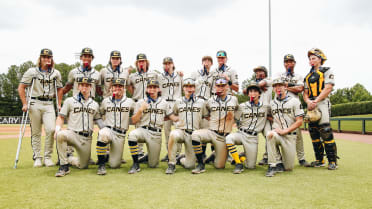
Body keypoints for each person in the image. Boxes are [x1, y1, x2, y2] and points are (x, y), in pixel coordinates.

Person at [18, 48, 63, 167]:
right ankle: (37, 157)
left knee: (51, 129)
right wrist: (24, 103)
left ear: (51, 59)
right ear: (40, 58)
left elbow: (60, 89)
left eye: (49, 57)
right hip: (34, 102)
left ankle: (48, 157)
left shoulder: (55, 73)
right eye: (44, 57)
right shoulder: (31, 72)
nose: (47, 59)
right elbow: (21, 87)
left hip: (48, 103)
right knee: (36, 131)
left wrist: (59, 104)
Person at [54, 77, 103, 177]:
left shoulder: (94, 104)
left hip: (86, 138)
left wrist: (106, 130)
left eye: (87, 85)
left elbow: (98, 120)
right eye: (82, 85)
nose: (84, 87)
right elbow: (61, 117)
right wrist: (57, 129)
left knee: (83, 165)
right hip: (72, 133)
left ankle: (68, 158)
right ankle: (64, 166)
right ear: (78, 86)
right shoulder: (69, 101)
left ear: (90, 87)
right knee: (60, 135)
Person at [127, 79, 178, 174]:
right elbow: (134, 120)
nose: (152, 89)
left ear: (158, 89)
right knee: (132, 135)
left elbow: (172, 117)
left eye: (154, 87)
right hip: (143, 130)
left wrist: (182, 116)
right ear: (147, 89)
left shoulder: (164, 103)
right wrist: (141, 110)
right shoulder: (141, 102)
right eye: (150, 87)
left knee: (153, 165)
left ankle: (147, 157)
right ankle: (135, 163)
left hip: (156, 134)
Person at [191, 78, 239, 174]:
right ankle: (201, 164)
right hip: (212, 132)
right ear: (214, 87)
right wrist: (214, 120)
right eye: (218, 86)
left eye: (223, 86)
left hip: (223, 137)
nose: (220, 88)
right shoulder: (210, 100)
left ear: (227, 87)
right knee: (195, 135)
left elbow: (237, 111)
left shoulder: (234, 99)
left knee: (219, 166)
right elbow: (205, 114)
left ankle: (214, 155)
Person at [303, 48, 338, 170]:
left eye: (314, 58)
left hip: (322, 102)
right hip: (311, 104)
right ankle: (319, 160)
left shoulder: (327, 71)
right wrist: (308, 102)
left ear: (320, 59)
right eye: (310, 59)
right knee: (313, 132)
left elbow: (328, 88)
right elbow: (305, 93)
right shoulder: (308, 76)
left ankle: (332, 161)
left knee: (325, 131)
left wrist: (315, 101)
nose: (311, 60)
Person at [165, 78, 208, 174]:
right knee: (173, 134)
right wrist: (175, 120)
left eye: (192, 86)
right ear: (183, 88)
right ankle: (171, 164)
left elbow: (206, 116)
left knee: (189, 166)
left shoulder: (201, 102)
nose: (190, 89)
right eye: (187, 86)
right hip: (181, 131)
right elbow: (174, 114)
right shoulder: (178, 101)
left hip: (193, 135)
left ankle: (180, 159)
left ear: (195, 88)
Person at [226, 81, 269, 174]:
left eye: (255, 91)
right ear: (248, 93)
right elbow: (234, 118)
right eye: (250, 91)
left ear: (259, 93)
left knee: (250, 166)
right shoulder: (242, 106)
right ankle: (238, 163)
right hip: (241, 134)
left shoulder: (265, 107)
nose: (252, 94)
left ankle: (242, 157)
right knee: (229, 138)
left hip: (253, 137)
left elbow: (271, 116)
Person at [275, 54, 310, 166]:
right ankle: (277, 158)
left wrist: (285, 86)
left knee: (297, 134)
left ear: (294, 63)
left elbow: (300, 88)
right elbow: (276, 85)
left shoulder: (299, 76)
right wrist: (290, 86)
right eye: (286, 62)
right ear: (284, 63)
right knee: (278, 131)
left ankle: (302, 158)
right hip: (280, 106)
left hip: (293, 106)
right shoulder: (279, 74)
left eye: (290, 61)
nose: (288, 64)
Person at [265, 78, 304, 177]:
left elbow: (300, 121)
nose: (278, 88)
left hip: (290, 135)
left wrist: (285, 130)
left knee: (288, 168)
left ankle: (280, 162)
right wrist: (275, 126)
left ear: (285, 87)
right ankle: (273, 165)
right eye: (275, 86)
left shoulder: (295, 101)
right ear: (273, 89)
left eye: (280, 85)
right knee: (270, 135)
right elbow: (269, 116)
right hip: (277, 134)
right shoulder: (272, 103)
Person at [96, 78, 135, 175]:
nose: (117, 88)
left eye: (120, 86)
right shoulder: (105, 101)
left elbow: (136, 114)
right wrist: (102, 127)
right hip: (109, 130)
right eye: (115, 86)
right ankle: (101, 165)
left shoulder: (130, 102)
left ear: (124, 88)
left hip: (120, 134)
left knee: (115, 165)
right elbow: (98, 115)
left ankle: (108, 156)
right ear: (111, 88)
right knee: (103, 134)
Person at [127, 53, 158, 160]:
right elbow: (129, 87)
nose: (141, 63)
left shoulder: (153, 74)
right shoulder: (132, 76)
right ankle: (139, 153)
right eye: (139, 62)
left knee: (152, 125)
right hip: (138, 102)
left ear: (146, 63)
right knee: (139, 127)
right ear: (137, 63)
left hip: (151, 103)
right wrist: (135, 95)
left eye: (143, 61)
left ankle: (152, 149)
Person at [158, 57, 183, 162]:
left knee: (179, 129)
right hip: (165, 104)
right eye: (165, 64)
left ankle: (177, 153)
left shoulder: (179, 76)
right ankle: (169, 154)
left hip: (177, 103)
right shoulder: (160, 77)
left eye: (169, 63)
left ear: (173, 64)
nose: (167, 66)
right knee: (167, 130)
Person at [252, 66, 273, 166]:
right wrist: (256, 87)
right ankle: (247, 155)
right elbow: (244, 91)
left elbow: (262, 83)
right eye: (257, 72)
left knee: (269, 135)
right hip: (255, 114)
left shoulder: (268, 80)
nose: (258, 73)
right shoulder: (254, 83)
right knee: (248, 135)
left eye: (260, 71)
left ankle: (267, 156)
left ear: (265, 73)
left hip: (266, 114)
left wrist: (255, 87)